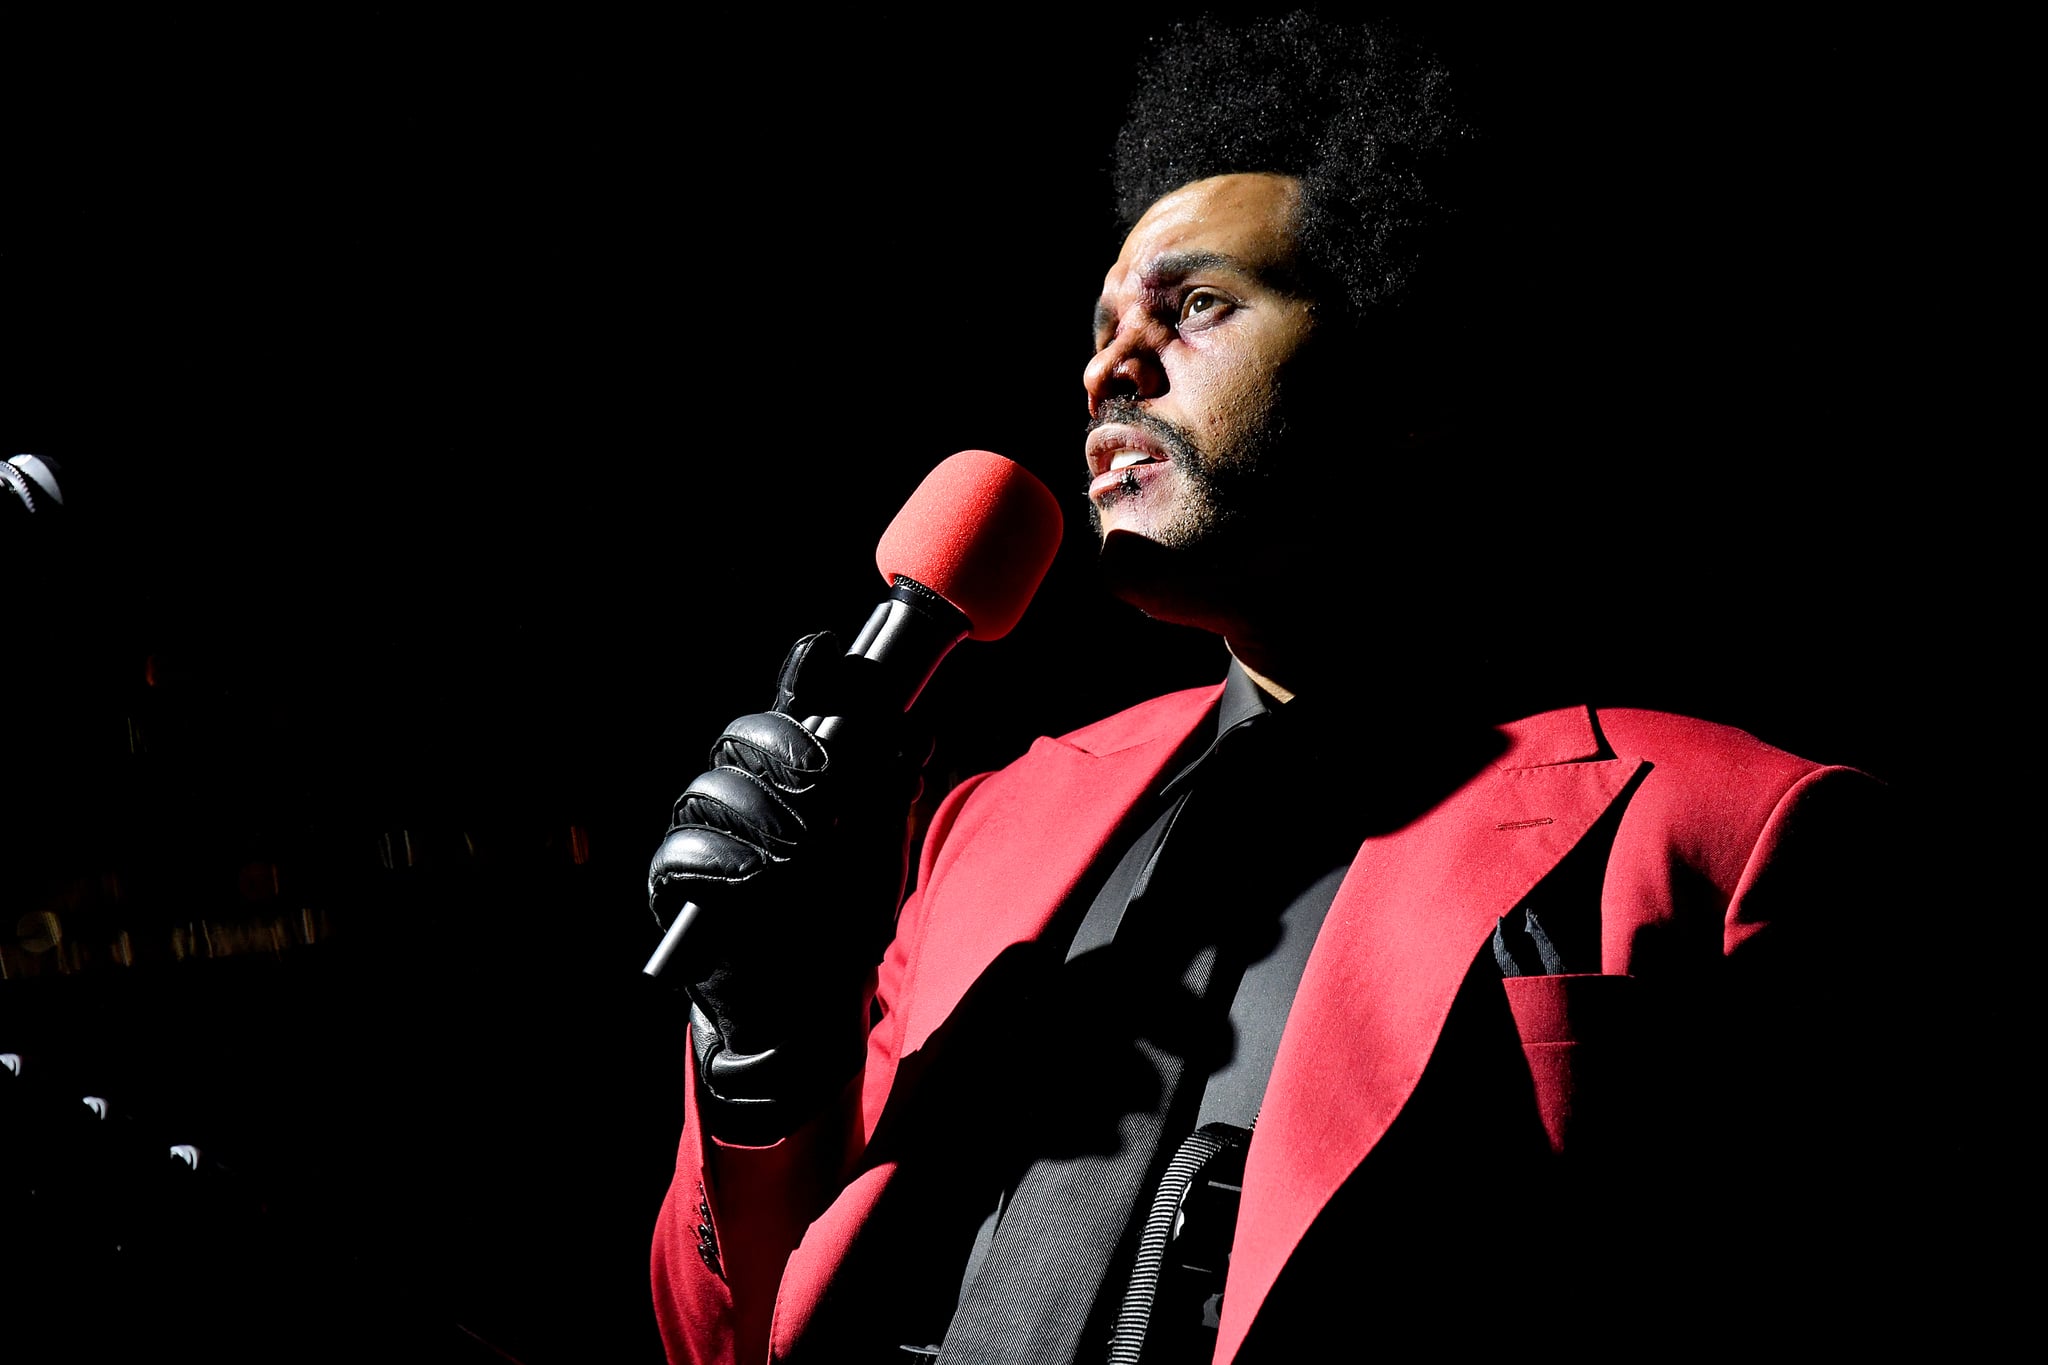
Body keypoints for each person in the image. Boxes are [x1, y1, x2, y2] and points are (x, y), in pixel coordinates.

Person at [646, 12, 1944, 1363]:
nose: (1109, 365)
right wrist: (759, 1051)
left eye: (1194, 305)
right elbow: (725, 1342)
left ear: (1412, 384)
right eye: (1100, 327)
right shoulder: (989, 825)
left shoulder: (1727, 837)